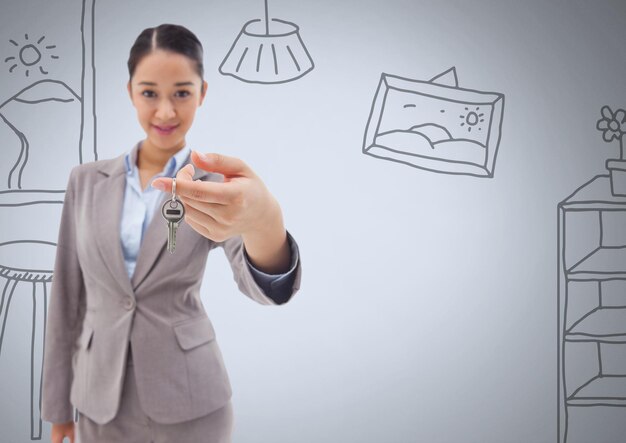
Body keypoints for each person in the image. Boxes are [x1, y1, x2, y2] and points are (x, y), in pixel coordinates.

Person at [41, 23, 302, 443]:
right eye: (149, 93)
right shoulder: (85, 182)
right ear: (130, 92)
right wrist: (57, 410)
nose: (165, 112)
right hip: (98, 402)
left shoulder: (215, 183)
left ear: (202, 92)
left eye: (181, 92)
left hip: (191, 399)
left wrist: (264, 222)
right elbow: (67, 299)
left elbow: (256, 278)